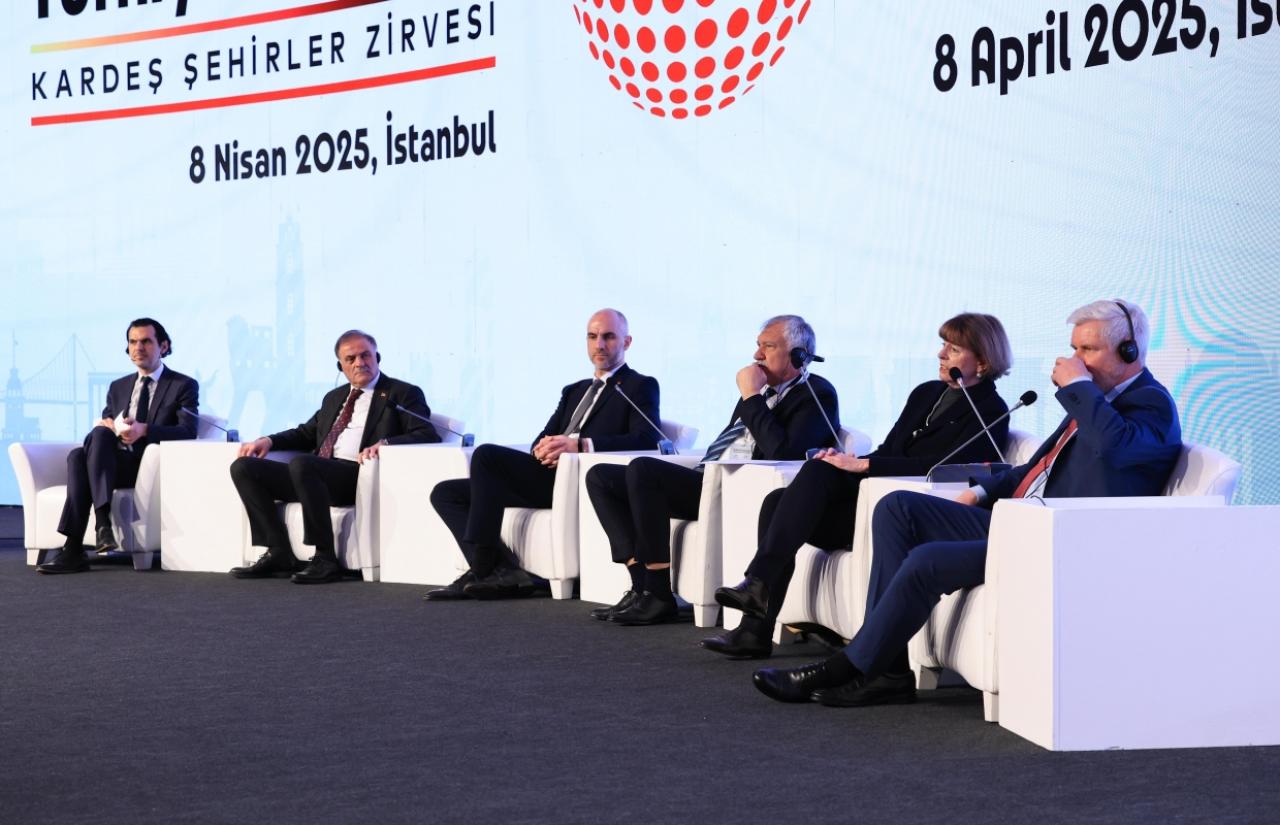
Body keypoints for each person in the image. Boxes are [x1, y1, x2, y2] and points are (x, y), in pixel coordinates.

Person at [752, 299, 1182, 707]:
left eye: (1088, 350)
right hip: (1016, 518)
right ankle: (889, 671)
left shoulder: (1151, 404)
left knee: (927, 560)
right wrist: (981, 491)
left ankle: (849, 667)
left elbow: (1115, 447)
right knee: (898, 508)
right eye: (1074, 349)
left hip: (1057, 537)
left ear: (1129, 350)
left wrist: (1081, 389)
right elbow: (1038, 466)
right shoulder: (1096, 401)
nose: (1075, 361)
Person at [704, 313, 1012, 657]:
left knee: (801, 487)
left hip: (902, 514)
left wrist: (866, 465)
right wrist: (846, 460)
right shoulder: (926, 393)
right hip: (872, 496)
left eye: (953, 349)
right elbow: (890, 450)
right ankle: (755, 623)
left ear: (982, 362)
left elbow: (949, 468)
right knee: (788, 492)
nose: (941, 354)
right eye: (943, 346)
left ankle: (757, 588)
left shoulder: (991, 410)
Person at [585, 315, 841, 625]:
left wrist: (751, 397)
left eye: (768, 347)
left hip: (741, 489)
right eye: (757, 346)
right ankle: (641, 585)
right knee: (600, 477)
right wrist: (753, 398)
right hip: (710, 479)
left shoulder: (817, 393)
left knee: (643, 470)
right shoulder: (762, 392)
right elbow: (733, 442)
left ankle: (658, 594)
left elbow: (784, 452)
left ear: (798, 355)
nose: (757, 355)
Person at [425, 308, 661, 601]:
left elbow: (647, 437)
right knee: (446, 493)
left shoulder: (640, 386)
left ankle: (483, 568)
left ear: (626, 342)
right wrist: (543, 448)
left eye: (609, 337)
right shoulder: (574, 391)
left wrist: (580, 445)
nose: (599, 344)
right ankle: (503, 571)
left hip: (582, 479)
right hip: (547, 476)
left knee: (486, 455)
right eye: (592, 337)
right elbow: (543, 437)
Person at [228, 330, 439, 584]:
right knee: (244, 468)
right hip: (313, 475)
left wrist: (386, 443)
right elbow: (307, 433)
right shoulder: (334, 397)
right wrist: (269, 440)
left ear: (377, 357)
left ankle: (325, 558)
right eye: (351, 359)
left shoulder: (401, 393)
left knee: (304, 464)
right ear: (341, 366)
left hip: (356, 476)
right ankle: (278, 551)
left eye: (365, 355)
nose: (360, 363)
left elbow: (426, 432)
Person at [37, 318, 200, 574]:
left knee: (79, 457)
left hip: (146, 467)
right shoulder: (118, 387)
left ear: (163, 346)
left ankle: (79, 544)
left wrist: (144, 430)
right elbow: (107, 427)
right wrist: (110, 426)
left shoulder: (183, 385)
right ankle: (96, 532)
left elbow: (188, 431)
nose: (138, 348)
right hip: (111, 462)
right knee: (82, 452)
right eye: (133, 342)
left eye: (146, 341)